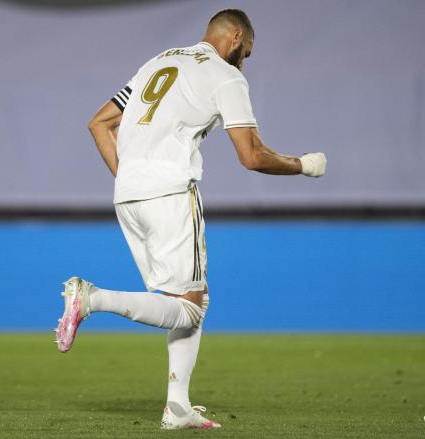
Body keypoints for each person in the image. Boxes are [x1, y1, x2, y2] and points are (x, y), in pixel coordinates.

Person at [55, 8, 327, 430]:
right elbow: (251, 156)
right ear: (236, 38)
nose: (247, 60)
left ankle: (177, 406)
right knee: (190, 309)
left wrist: (134, 178)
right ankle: (92, 298)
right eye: (248, 52)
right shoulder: (226, 75)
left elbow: (100, 124)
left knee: (187, 299)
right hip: (169, 192)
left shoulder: (159, 61)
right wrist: (303, 166)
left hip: (128, 194)